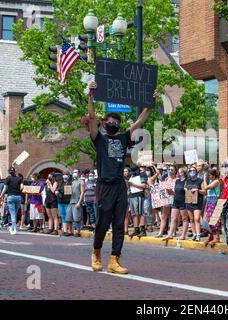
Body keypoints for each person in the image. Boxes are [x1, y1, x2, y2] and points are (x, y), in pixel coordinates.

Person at [88, 80, 153, 274]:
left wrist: (150, 104)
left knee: (119, 223)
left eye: (116, 122)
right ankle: (96, 253)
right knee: (102, 222)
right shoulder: (99, 139)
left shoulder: (124, 137)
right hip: (105, 185)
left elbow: (140, 122)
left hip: (119, 186)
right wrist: (91, 95)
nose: (113, 124)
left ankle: (114, 259)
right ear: (105, 123)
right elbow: (92, 118)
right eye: (110, 121)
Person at [164, 166, 188, 240]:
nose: (178, 173)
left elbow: (187, 191)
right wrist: (170, 192)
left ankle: (183, 235)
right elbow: (175, 192)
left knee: (184, 219)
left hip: (183, 201)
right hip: (176, 200)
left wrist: (185, 189)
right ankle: (170, 234)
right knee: (173, 218)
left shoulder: (186, 181)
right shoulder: (177, 181)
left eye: (180, 172)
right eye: (178, 172)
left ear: (184, 173)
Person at [0, 167, 23, 235]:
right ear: (15, 171)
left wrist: (1, 196)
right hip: (18, 197)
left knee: (12, 213)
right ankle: (12, 228)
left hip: (10, 197)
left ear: (9, 172)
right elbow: (22, 187)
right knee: (15, 213)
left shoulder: (8, 178)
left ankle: (14, 229)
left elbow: (5, 188)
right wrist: (18, 190)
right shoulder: (19, 179)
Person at [201, 168, 222, 246]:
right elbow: (205, 191)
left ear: (213, 175)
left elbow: (206, 188)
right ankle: (211, 236)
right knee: (208, 220)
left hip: (215, 201)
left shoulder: (216, 181)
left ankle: (217, 237)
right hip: (209, 201)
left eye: (209, 175)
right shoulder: (211, 181)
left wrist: (204, 179)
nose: (208, 177)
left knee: (215, 220)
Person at [156, 165, 177, 237]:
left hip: (174, 198)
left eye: (172, 169)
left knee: (173, 216)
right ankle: (160, 232)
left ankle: (173, 231)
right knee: (163, 216)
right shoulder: (166, 179)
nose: (170, 171)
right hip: (166, 199)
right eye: (169, 169)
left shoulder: (177, 180)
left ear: (175, 171)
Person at [185, 165, 204, 241]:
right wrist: (186, 189)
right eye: (190, 171)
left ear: (196, 172)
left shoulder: (200, 180)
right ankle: (194, 234)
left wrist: (197, 190)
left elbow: (204, 191)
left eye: (193, 170)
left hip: (197, 201)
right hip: (189, 201)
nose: (192, 172)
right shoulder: (188, 180)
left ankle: (198, 234)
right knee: (191, 219)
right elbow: (185, 187)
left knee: (197, 218)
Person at [128, 165, 147, 237]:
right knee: (134, 213)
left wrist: (133, 184)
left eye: (134, 171)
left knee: (141, 212)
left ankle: (142, 230)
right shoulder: (132, 176)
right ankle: (136, 229)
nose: (132, 172)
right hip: (132, 195)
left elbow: (144, 186)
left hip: (139, 194)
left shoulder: (142, 174)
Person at [66, 169, 85, 238]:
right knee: (68, 217)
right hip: (71, 201)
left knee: (77, 219)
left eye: (76, 172)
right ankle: (71, 232)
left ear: (79, 173)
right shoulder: (73, 182)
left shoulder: (81, 181)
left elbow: (82, 192)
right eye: (74, 172)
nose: (74, 174)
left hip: (77, 202)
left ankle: (78, 232)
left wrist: (79, 202)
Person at [56, 172, 72, 236]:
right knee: (63, 216)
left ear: (69, 176)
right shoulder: (60, 182)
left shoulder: (71, 182)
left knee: (68, 216)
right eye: (64, 175)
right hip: (60, 201)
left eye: (66, 175)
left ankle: (69, 230)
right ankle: (65, 230)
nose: (65, 176)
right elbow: (57, 190)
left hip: (67, 201)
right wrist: (57, 192)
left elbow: (70, 192)